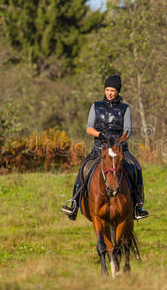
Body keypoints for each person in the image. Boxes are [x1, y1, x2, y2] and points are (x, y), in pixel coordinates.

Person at [61, 74, 149, 221]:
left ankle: (138, 206)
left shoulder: (125, 108)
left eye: (112, 90)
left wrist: (119, 141)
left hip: (119, 148)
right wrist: (100, 134)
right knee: (84, 169)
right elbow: (89, 128)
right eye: (107, 90)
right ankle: (74, 204)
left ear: (117, 92)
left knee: (136, 168)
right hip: (99, 148)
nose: (109, 93)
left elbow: (128, 131)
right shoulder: (96, 106)